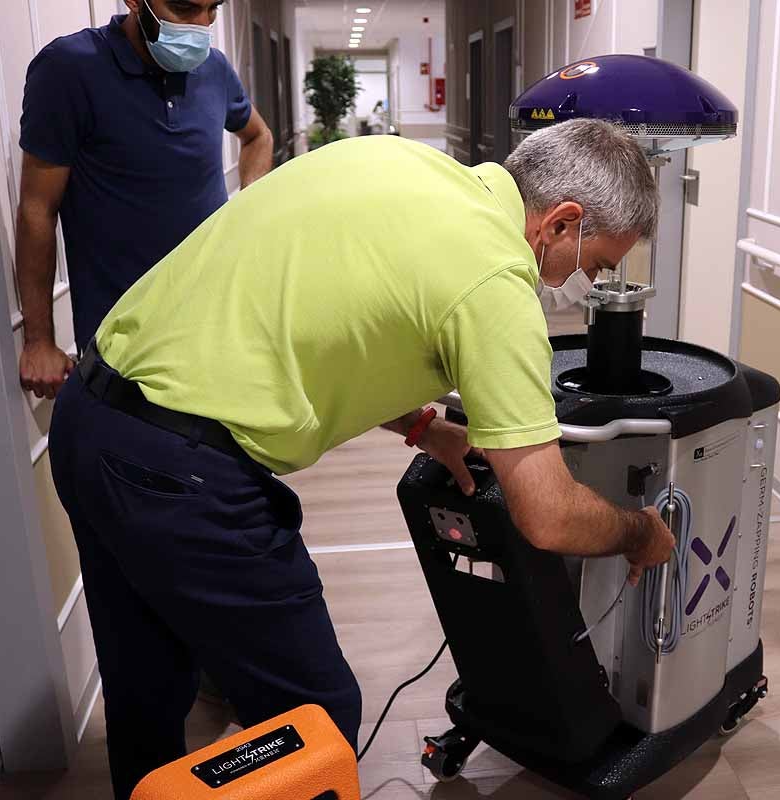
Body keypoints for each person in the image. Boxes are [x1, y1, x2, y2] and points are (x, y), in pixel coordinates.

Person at [48, 118, 677, 799]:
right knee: (312, 719)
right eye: (594, 264)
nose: (582, 283)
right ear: (561, 223)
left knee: (147, 687)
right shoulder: (494, 278)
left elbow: (337, 325)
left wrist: (422, 425)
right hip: (177, 469)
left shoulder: (398, 164)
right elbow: (547, 516)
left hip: (90, 416)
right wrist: (640, 531)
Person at [16, 0, 273, 400]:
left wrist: (249, 203)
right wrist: (38, 340)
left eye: (212, 9)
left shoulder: (215, 69)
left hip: (220, 332)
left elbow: (258, 135)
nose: (202, 26)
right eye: (187, 9)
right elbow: (37, 209)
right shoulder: (69, 68)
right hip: (127, 356)